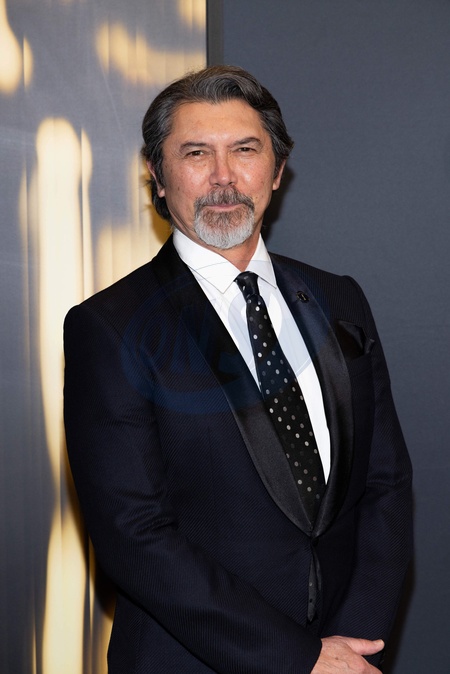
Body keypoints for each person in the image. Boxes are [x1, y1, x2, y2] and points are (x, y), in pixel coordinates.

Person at [64, 65, 413, 673]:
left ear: (277, 170)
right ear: (157, 176)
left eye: (245, 150)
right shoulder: (110, 326)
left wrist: (354, 645)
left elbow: (386, 484)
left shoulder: (340, 299)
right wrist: (300, 660)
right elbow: (134, 535)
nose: (223, 176)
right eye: (196, 153)